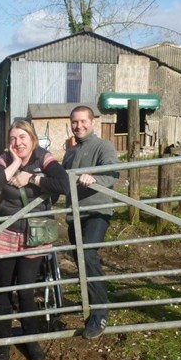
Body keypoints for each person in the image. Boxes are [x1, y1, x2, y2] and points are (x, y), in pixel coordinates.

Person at [0, 120, 69, 360]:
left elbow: (63, 184)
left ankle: (31, 343)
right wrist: (14, 165)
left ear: (32, 138)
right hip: (8, 232)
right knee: (4, 290)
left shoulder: (44, 158)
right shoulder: (4, 159)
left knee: (26, 291)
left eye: (22, 137)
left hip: (35, 235)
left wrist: (31, 178)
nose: (18, 142)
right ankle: (3, 343)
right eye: (13, 139)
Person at [61, 105, 119, 340]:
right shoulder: (70, 152)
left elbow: (113, 171)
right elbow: (61, 181)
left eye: (83, 121)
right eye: (75, 122)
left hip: (97, 212)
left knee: (87, 255)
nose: (79, 126)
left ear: (93, 122)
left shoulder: (103, 146)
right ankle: (89, 301)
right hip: (75, 214)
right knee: (80, 259)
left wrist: (94, 177)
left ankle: (100, 312)